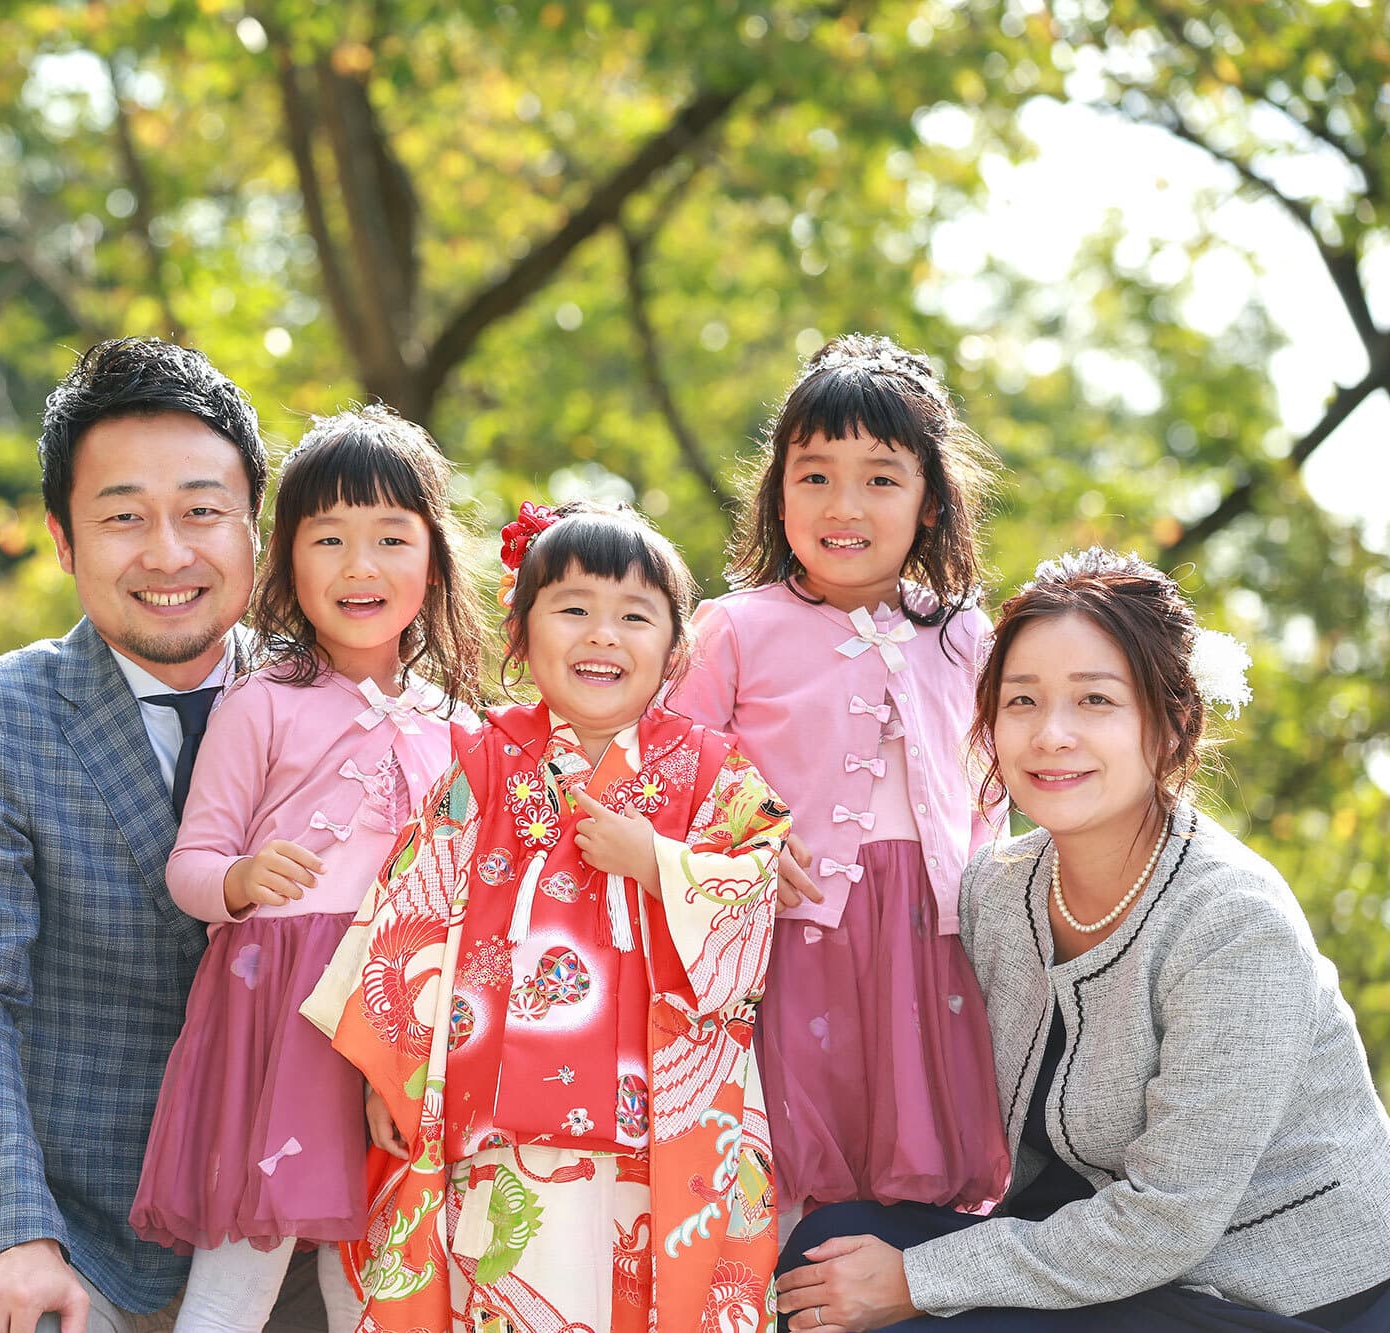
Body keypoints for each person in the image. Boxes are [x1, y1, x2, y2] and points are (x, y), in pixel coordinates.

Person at [775, 548, 1390, 1332]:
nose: (1051, 734)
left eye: (1095, 699)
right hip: (1093, 1247)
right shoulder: (999, 888)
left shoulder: (1234, 924)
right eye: (1022, 701)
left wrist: (920, 1279)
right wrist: (746, 869)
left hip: (1273, 1294)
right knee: (826, 1251)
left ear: (1170, 724)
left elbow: (1166, 1221)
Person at [303, 501, 795, 1333]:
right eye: (573, 608)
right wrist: (390, 1073)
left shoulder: (713, 770)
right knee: (512, 1284)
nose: (603, 634)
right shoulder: (487, 760)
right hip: (495, 1117)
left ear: (675, 650)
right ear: (522, 635)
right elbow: (412, 908)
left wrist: (658, 861)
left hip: (659, 1122)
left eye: (634, 616)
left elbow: (760, 873)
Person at [0, 338, 268, 1333]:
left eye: (202, 512)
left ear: (255, 526)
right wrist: (11, 1232)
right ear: (62, 538)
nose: (167, 553)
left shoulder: (343, 708)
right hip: (62, 1213)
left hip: (292, 1229)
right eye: (123, 516)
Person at [127, 407, 485, 1332]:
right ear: (287, 560)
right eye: (329, 538)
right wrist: (241, 879)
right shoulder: (262, 702)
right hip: (281, 1015)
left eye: (390, 538)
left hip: (403, 1022)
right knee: (239, 1274)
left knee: (373, 1275)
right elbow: (191, 864)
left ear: (434, 560)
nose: (359, 565)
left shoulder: (462, 728)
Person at [671, 333, 1011, 1222]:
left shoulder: (968, 637)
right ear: (777, 492)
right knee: (786, 1165)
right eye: (815, 475)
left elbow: (997, 794)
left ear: (931, 501)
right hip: (792, 924)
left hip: (936, 937)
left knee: (926, 1162)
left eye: (881, 478)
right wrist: (742, 832)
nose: (843, 504)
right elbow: (673, 760)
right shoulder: (734, 627)